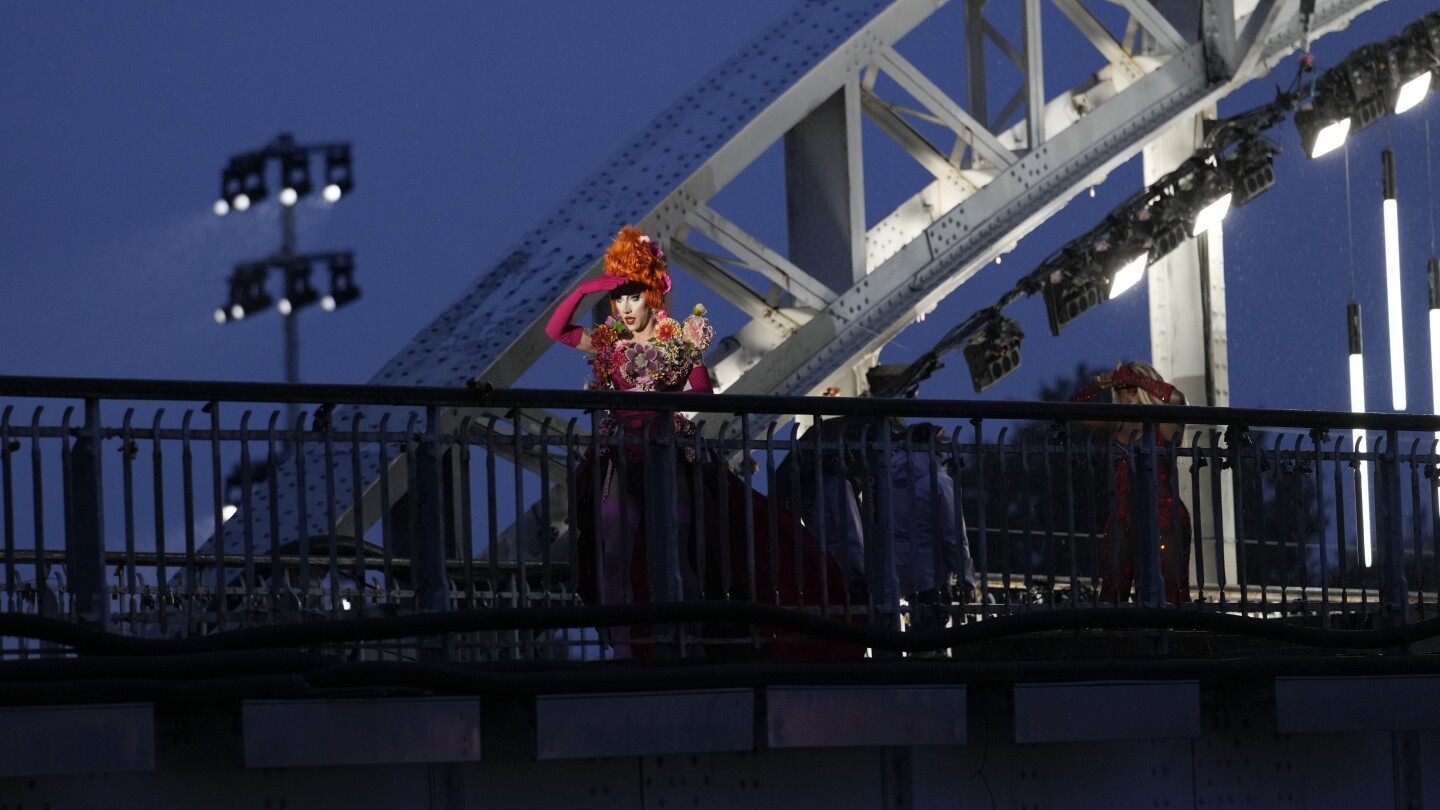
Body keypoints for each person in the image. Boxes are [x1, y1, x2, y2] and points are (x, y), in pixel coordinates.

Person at [546, 225, 853, 659]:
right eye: (619, 298)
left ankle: (684, 637)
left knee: (679, 542)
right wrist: (589, 288)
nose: (625, 307)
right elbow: (556, 329)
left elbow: (703, 395)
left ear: (651, 295)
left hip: (667, 454)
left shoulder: (678, 342)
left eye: (634, 296)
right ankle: (625, 644)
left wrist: (657, 398)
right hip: (618, 455)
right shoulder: (609, 342)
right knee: (614, 545)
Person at [1068, 360, 1191, 604]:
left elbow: (1177, 399)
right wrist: (1098, 385)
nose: (1126, 397)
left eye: (1132, 391)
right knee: (1113, 592)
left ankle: (1172, 640)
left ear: (1145, 392)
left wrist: (1137, 379)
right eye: (1121, 391)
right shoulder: (1118, 422)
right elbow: (1073, 410)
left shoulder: (1163, 423)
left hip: (1163, 516)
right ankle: (1118, 641)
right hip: (1122, 517)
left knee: (1169, 593)